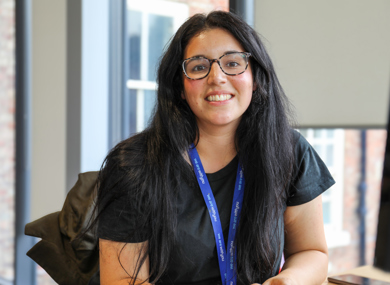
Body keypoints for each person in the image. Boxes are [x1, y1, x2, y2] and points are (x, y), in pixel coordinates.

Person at [94, 10, 334, 285]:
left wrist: (285, 282)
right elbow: (122, 281)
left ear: (255, 78)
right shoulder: (134, 165)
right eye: (198, 67)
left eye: (233, 63)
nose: (217, 77)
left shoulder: (290, 152)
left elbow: (311, 251)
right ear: (180, 87)